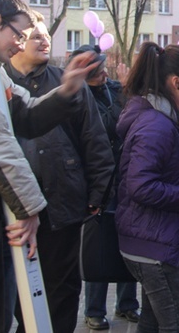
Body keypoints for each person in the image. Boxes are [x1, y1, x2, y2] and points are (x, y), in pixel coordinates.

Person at [0, 0, 96, 332]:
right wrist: (29, 210)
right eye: (20, 34)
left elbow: (23, 114)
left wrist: (67, 90)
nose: (21, 44)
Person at [6, 14, 114, 333]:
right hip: (12, 213)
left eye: (46, 36)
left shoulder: (66, 81)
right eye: (34, 35)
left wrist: (97, 194)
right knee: (18, 296)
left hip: (61, 207)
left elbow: (94, 139)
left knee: (62, 291)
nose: (43, 40)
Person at [115, 42, 179, 332]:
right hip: (156, 246)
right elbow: (141, 186)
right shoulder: (156, 124)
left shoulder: (169, 118)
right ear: (176, 82)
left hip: (156, 241)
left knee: (153, 323)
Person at [75, 45, 141, 330]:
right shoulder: (76, 97)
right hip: (96, 183)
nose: (104, 72)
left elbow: (127, 120)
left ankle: (127, 305)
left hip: (124, 178)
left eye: (103, 66)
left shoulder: (117, 90)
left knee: (128, 243)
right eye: (97, 68)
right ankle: (94, 310)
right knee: (99, 248)